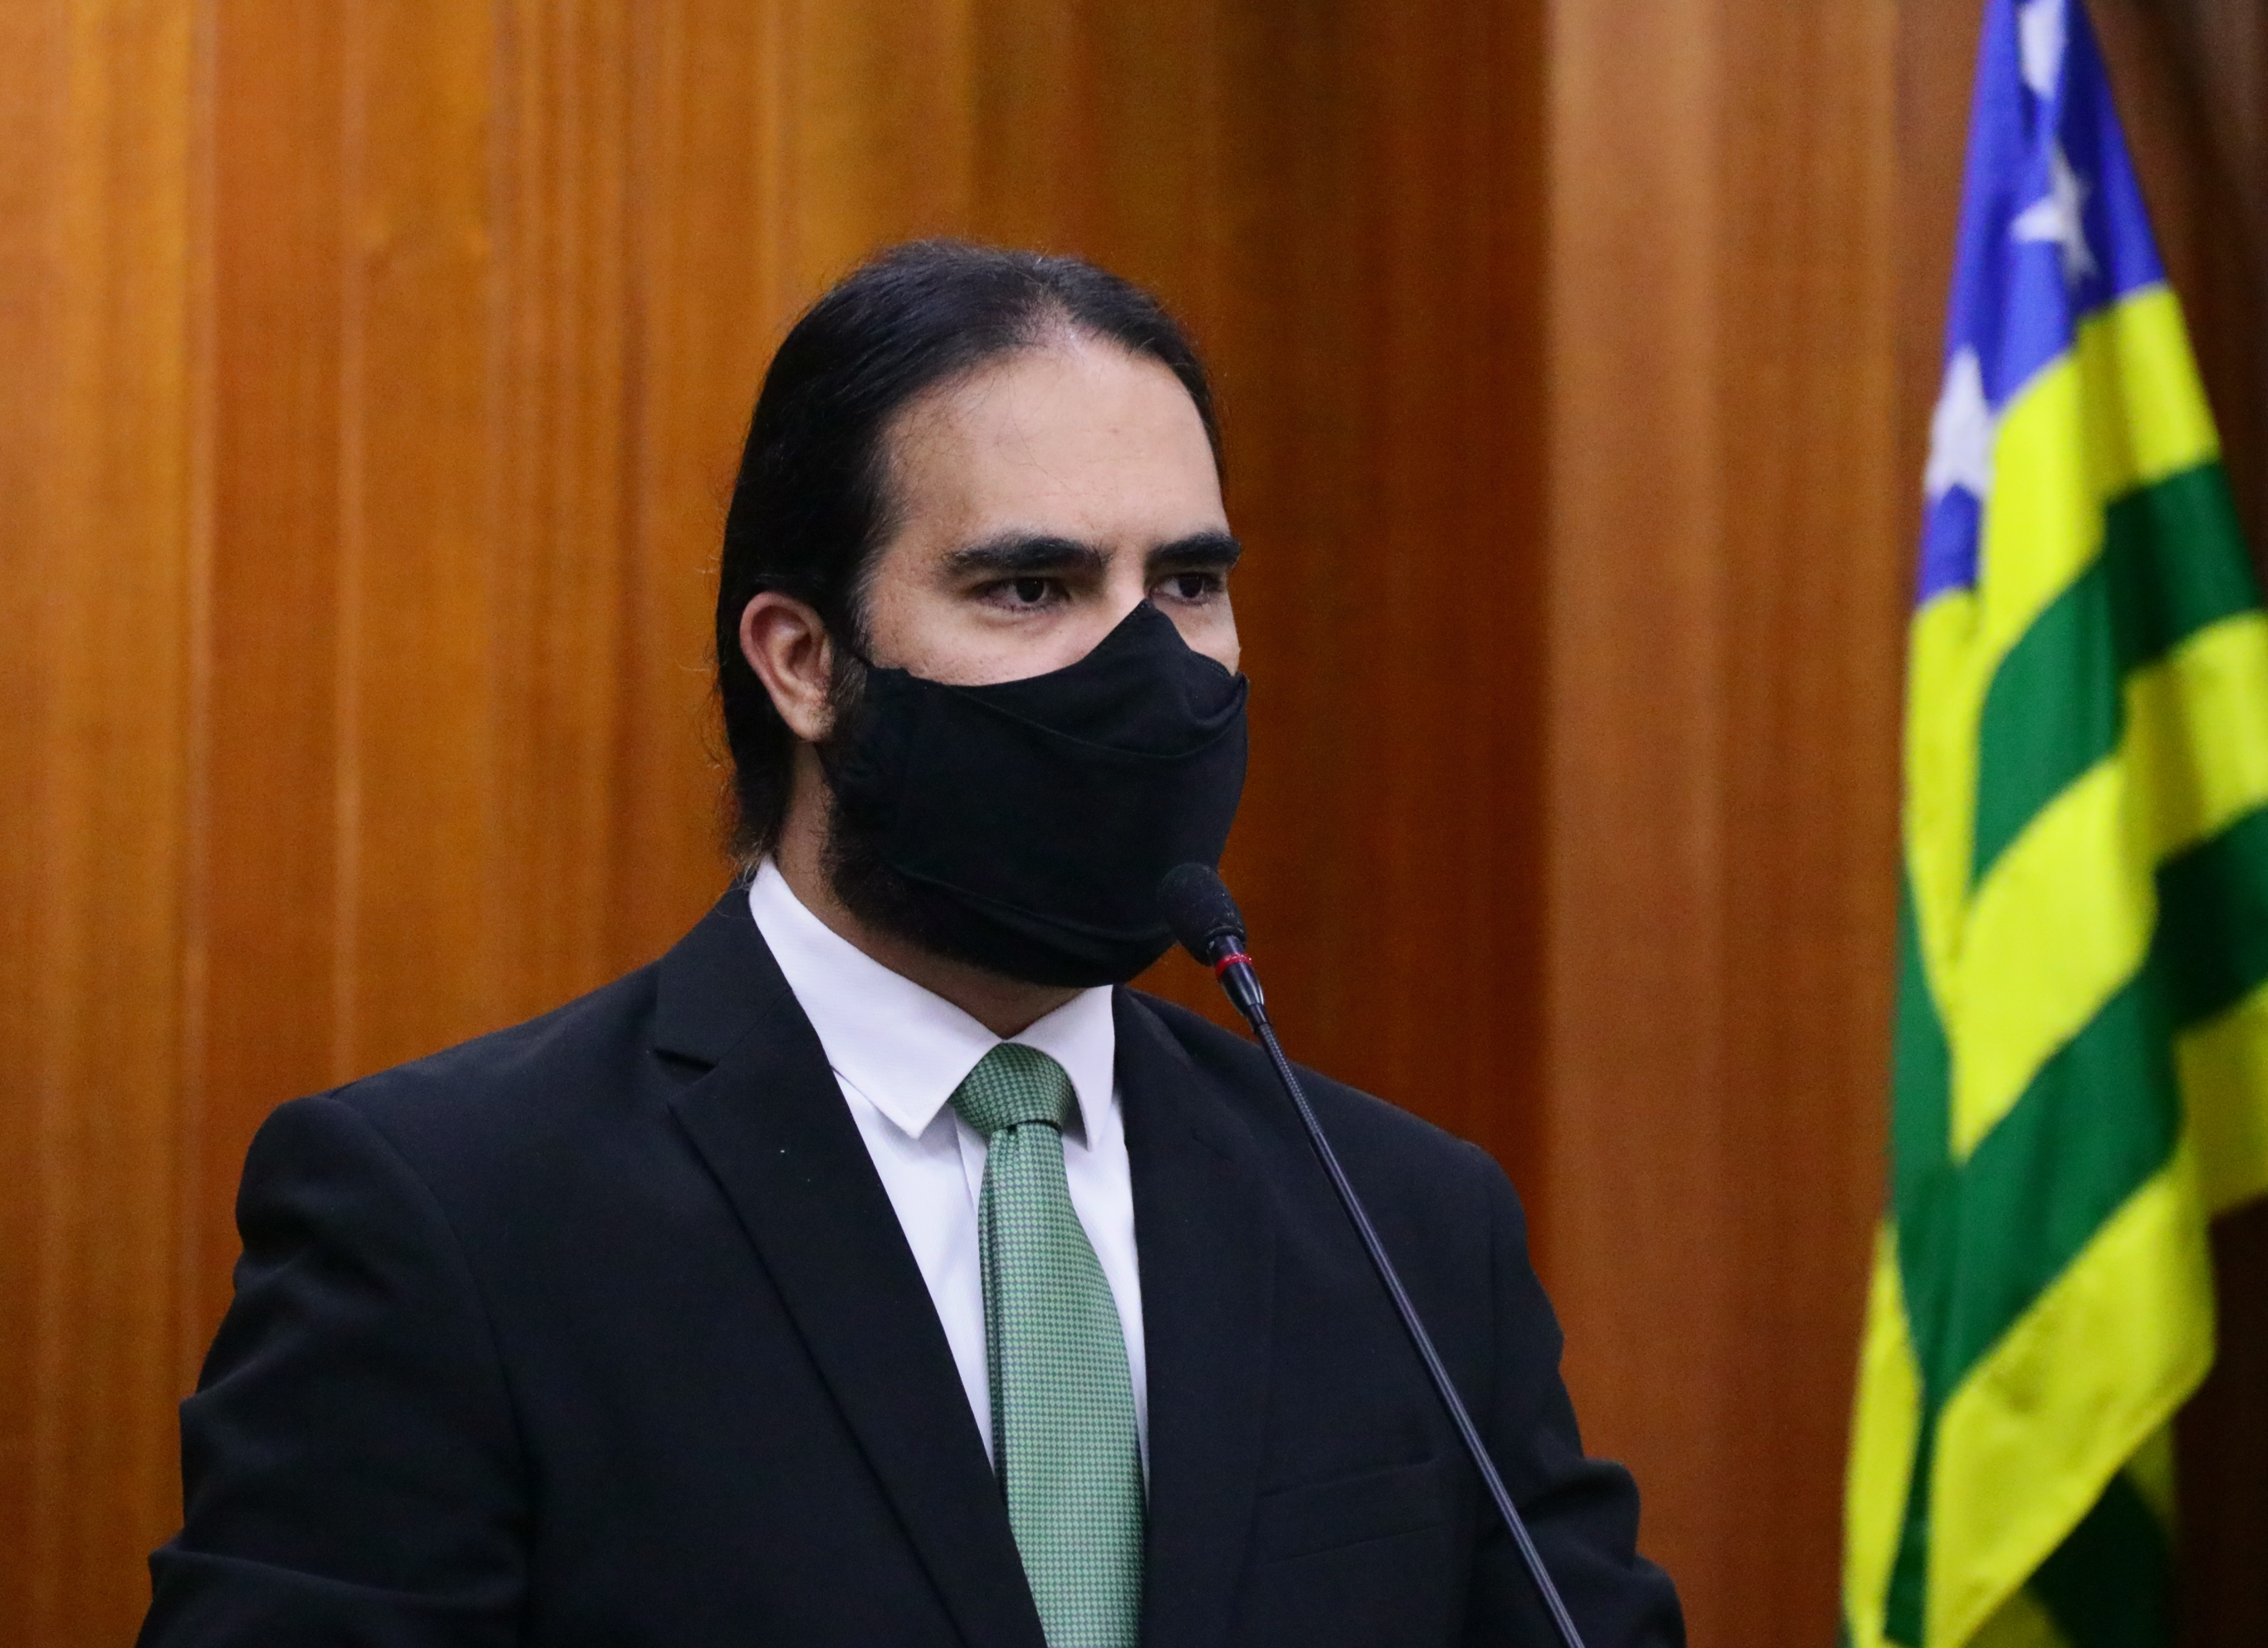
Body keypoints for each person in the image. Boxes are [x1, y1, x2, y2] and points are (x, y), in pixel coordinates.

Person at [140, 240, 1683, 1648]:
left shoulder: (1404, 1224)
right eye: (1032, 586)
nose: (1147, 666)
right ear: (804, 662)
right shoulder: (456, 1214)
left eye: (1189, 585)